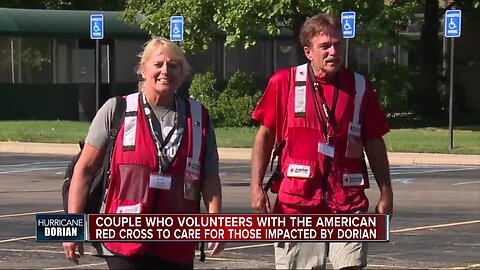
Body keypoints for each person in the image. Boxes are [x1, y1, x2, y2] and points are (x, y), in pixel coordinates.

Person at [63, 37, 223, 269]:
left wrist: (215, 223)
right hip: (123, 239)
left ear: (182, 73)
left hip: (176, 240)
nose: (165, 71)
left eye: (173, 65)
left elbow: (209, 176)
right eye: (158, 64)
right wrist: (72, 228)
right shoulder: (116, 110)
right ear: (143, 70)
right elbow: (85, 170)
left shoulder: (198, 117)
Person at [250, 13, 393, 270]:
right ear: (308, 51)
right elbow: (265, 136)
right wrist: (256, 186)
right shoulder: (284, 83)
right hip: (298, 204)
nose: (333, 52)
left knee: (351, 265)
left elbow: (374, 141)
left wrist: (386, 190)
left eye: (338, 44)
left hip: (348, 201)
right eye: (325, 46)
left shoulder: (359, 87)